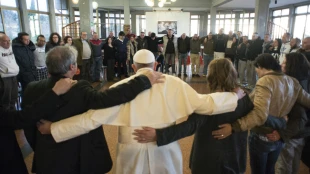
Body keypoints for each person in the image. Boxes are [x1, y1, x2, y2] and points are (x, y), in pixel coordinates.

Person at [37, 49, 245, 174]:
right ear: (155, 64)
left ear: (133, 67)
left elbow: (91, 120)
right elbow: (206, 104)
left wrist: (54, 129)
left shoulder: (122, 86)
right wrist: (233, 96)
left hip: (131, 149)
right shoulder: (173, 83)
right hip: (165, 147)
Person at [20, 46, 163, 174]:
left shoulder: (32, 88)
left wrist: (40, 147)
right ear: (72, 67)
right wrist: (143, 81)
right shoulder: (79, 88)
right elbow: (108, 98)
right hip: (80, 156)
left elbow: (28, 126)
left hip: (47, 156)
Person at [133, 58, 254, 173]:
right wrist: (272, 129)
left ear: (211, 77)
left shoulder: (208, 103)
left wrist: (158, 135)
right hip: (235, 157)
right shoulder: (243, 98)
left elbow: (188, 127)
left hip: (208, 161)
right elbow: (256, 117)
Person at [216, 53, 310, 174]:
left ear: (261, 67)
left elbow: (260, 114)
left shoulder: (265, 81)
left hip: (262, 135)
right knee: (270, 169)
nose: (257, 73)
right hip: (279, 136)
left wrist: (234, 127)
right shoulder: (292, 81)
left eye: (257, 70)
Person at [264, 52, 310, 174]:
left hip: (292, 134)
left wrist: (282, 134)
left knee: (283, 167)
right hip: (302, 133)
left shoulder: (294, 85)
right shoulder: (305, 80)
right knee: (293, 163)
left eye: (284, 63)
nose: (281, 64)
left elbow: (300, 117)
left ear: (292, 67)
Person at [12, 32, 36, 96]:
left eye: (28, 39)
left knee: (33, 90)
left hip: (32, 72)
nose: (28, 41)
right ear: (20, 39)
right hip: (23, 74)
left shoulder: (29, 46)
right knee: (27, 91)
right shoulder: (15, 48)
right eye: (25, 39)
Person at [0, 33, 19, 111]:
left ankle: (13, 117)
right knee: (6, 101)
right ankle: (6, 120)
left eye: (9, 41)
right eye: (5, 41)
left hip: (14, 77)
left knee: (13, 99)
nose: (8, 43)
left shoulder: (10, 47)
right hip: (4, 79)